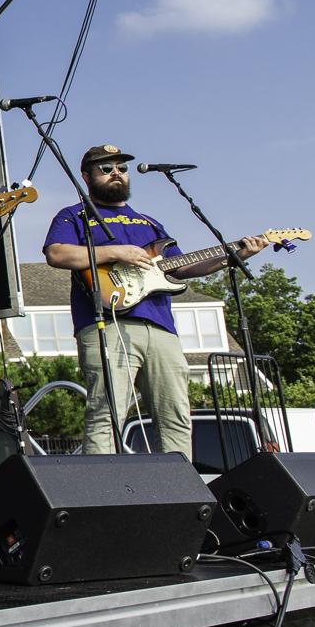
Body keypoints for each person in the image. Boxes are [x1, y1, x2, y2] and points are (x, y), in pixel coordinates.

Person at [43, 144, 268, 457]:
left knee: (175, 415)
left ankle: (181, 496)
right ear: (86, 176)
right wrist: (114, 252)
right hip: (108, 325)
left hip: (161, 326)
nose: (116, 174)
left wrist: (234, 256)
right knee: (107, 413)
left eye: (121, 168)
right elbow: (56, 253)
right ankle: (99, 498)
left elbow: (183, 266)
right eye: (106, 169)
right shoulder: (74, 216)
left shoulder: (149, 222)